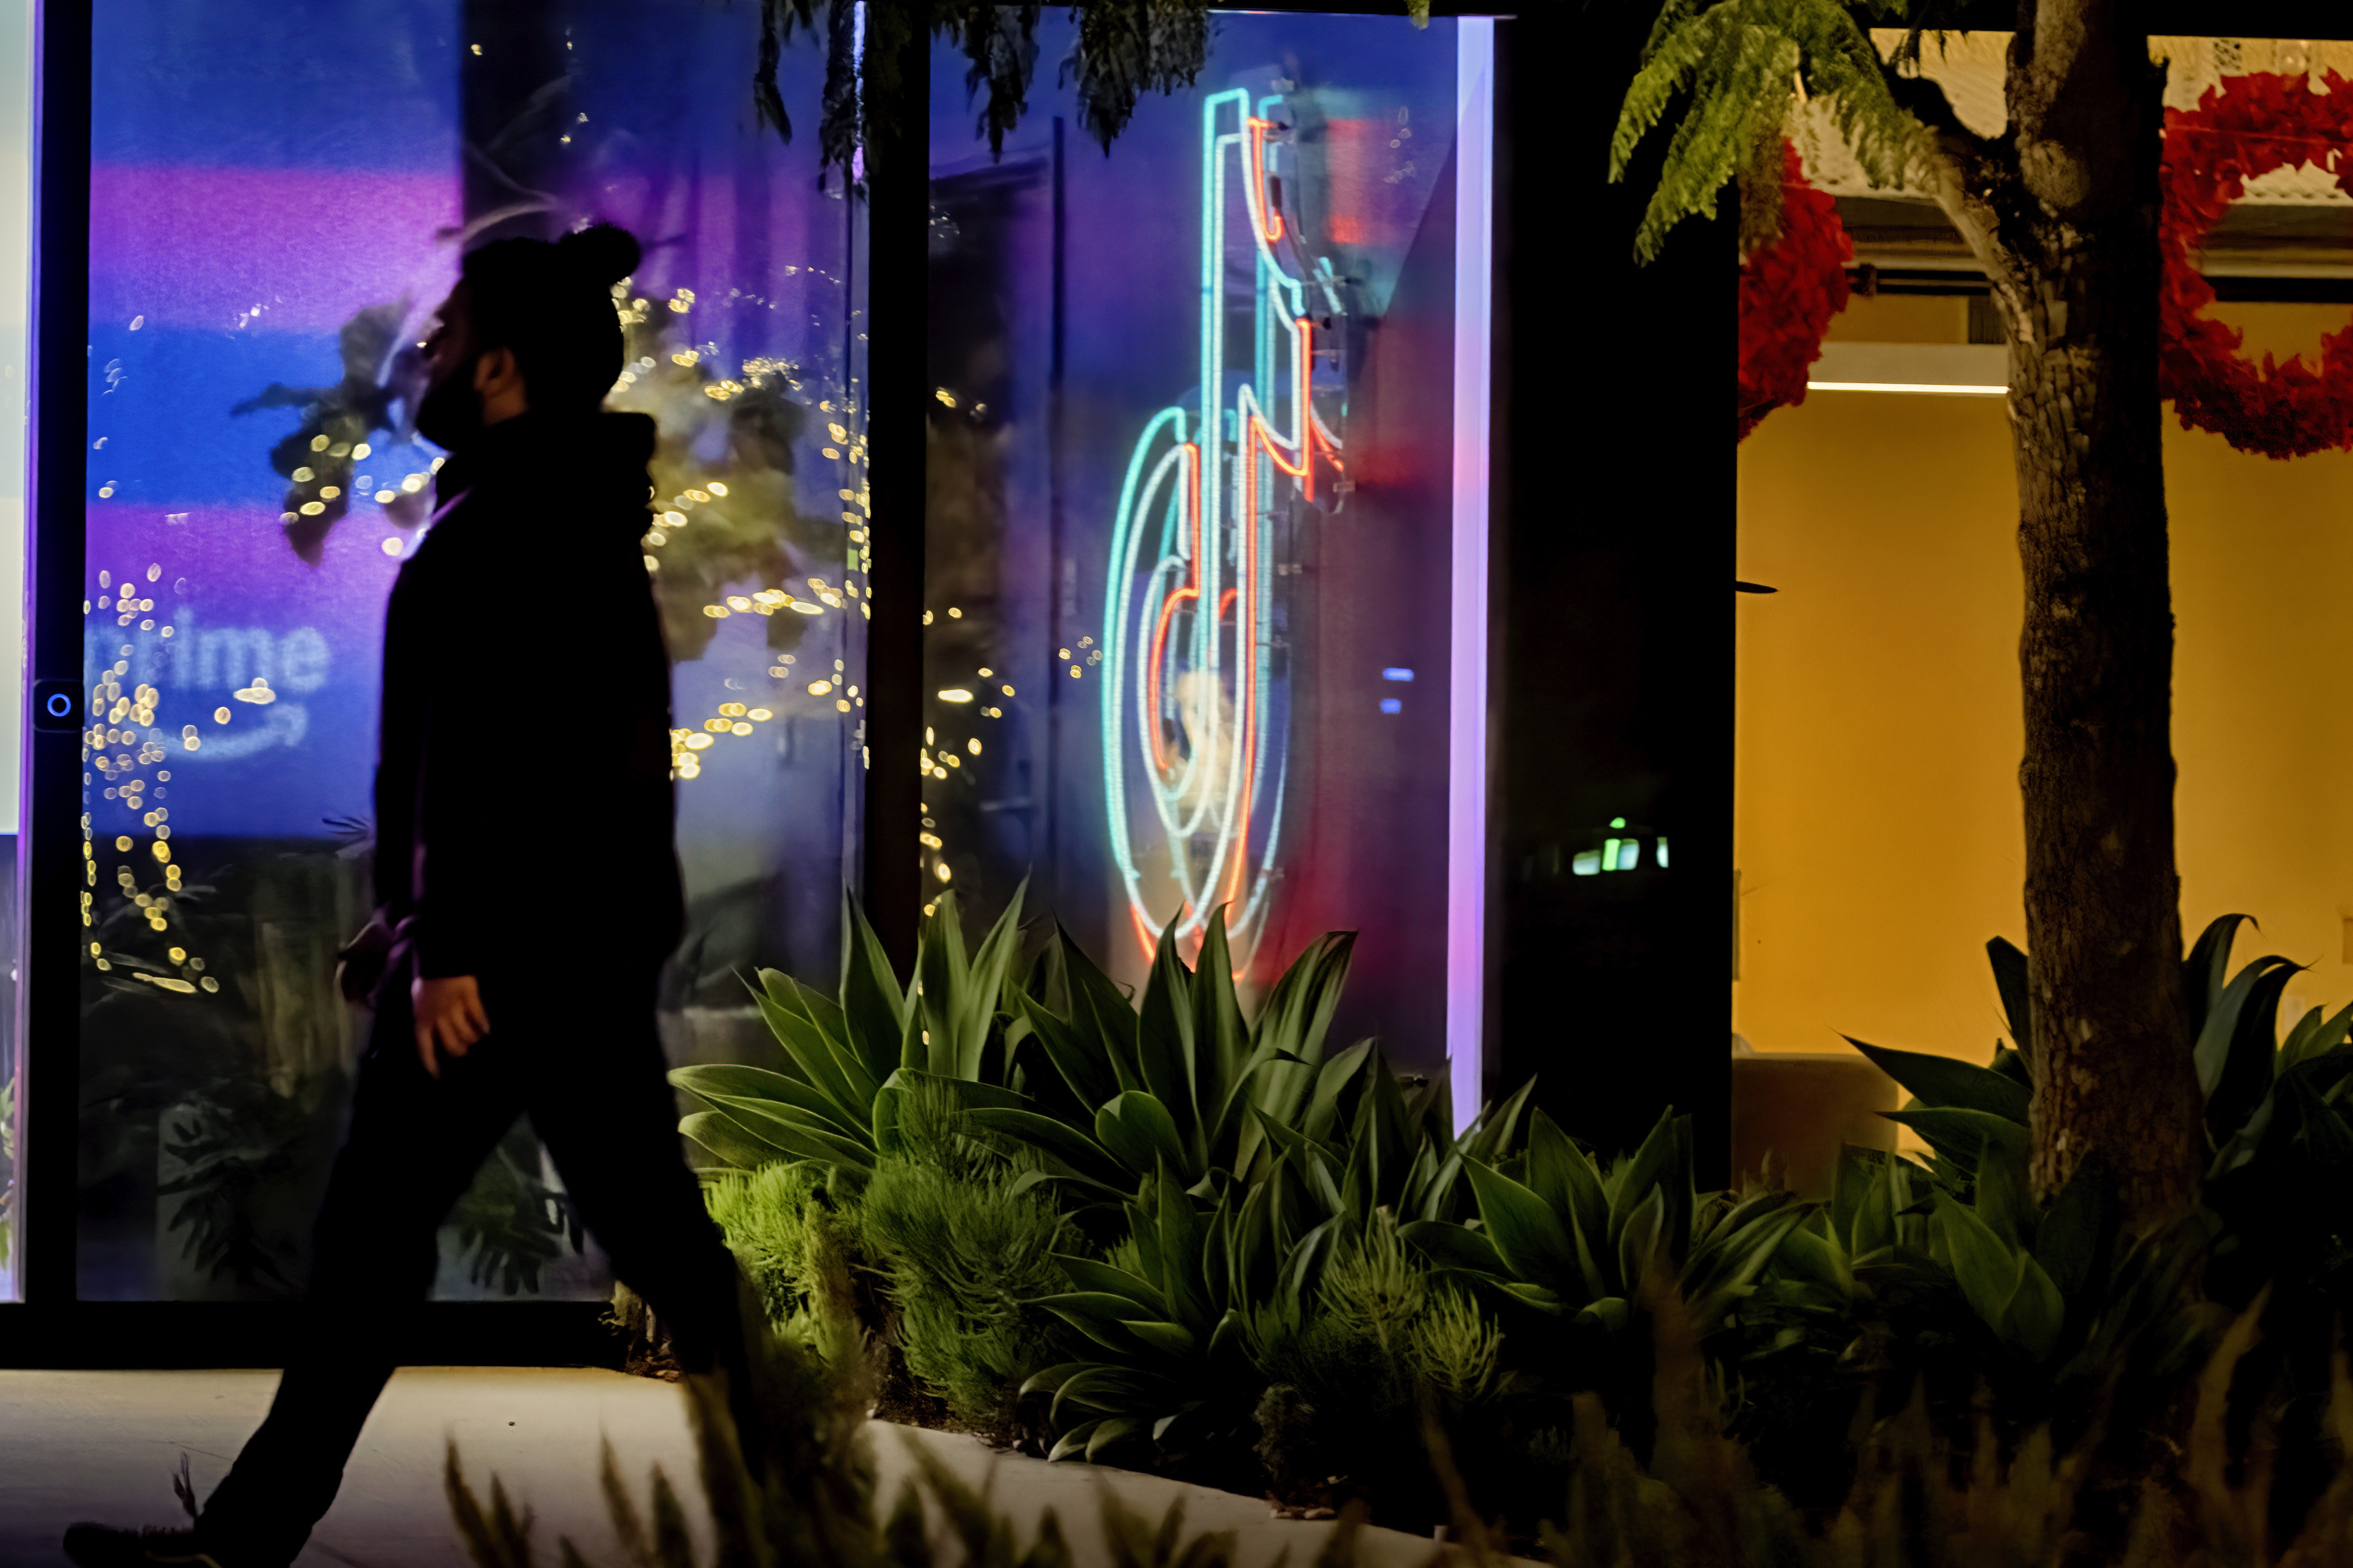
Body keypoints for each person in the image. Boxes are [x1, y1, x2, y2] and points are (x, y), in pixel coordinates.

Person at [66, 224, 766, 1568]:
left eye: (447, 339)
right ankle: (811, 1485)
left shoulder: (518, 520)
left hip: (504, 966)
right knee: (632, 1235)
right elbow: (541, 760)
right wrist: (412, 922)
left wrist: (446, 944)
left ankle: (247, 1542)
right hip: (551, 952)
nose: (426, 357)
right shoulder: (552, 507)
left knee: (382, 1244)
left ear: (499, 368)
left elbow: (493, 756)